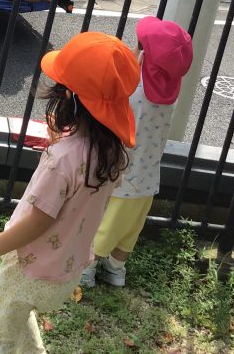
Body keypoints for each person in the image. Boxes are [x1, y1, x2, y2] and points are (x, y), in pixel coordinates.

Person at [0, 31, 140, 354]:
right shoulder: (110, 155)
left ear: (71, 102)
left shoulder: (62, 158)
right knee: (17, 312)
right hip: (64, 274)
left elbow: (40, 220)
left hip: (28, 265)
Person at [81, 16, 193, 288]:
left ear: (143, 55)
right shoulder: (170, 92)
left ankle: (87, 269)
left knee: (106, 225)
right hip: (147, 176)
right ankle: (116, 270)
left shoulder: (133, 87)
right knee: (130, 230)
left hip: (121, 174)